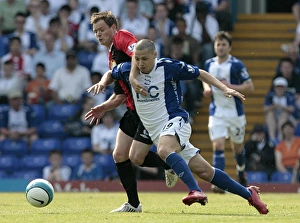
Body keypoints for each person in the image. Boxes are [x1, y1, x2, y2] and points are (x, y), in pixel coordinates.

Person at [89, 39, 268, 214]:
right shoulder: (128, 70)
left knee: (164, 150)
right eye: (137, 59)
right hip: (152, 128)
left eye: (145, 59)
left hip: (175, 120)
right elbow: (111, 74)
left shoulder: (168, 67)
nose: (141, 63)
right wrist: (102, 83)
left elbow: (200, 73)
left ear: (154, 55)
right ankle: (249, 194)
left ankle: (195, 190)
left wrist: (224, 88)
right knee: (202, 170)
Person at [88, 11, 177, 213]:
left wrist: (134, 78)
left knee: (136, 157)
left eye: (102, 30)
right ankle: (134, 204)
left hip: (147, 108)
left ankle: (170, 163)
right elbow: (120, 95)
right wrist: (103, 107)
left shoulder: (122, 37)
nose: (98, 34)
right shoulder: (111, 56)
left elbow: (137, 56)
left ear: (113, 27)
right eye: (95, 32)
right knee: (119, 155)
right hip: (131, 109)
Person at [202, 31, 254, 193]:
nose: (221, 47)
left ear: (230, 47)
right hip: (217, 112)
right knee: (218, 145)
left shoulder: (237, 65)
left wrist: (230, 87)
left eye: (224, 44)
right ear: (215, 47)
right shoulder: (209, 64)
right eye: (218, 44)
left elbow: (250, 87)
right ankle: (219, 184)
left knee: (237, 148)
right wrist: (207, 89)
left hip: (235, 114)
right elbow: (204, 80)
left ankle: (241, 172)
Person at [264, 77, 295, 143]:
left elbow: (292, 109)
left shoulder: (289, 96)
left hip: (287, 118)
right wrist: (273, 106)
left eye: (281, 87)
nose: (279, 89)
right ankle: (272, 138)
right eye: (278, 87)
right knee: (270, 114)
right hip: (275, 117)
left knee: (284, 113)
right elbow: (265, 109)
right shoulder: (270, 96)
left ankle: (280, 138)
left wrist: (281, 107)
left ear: (285, 88)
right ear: (274, 88)